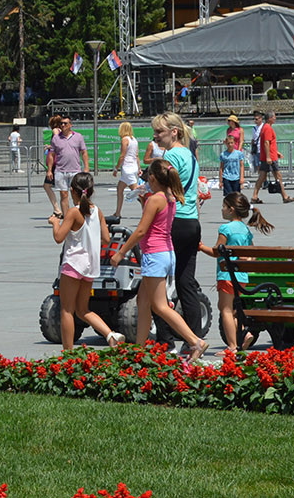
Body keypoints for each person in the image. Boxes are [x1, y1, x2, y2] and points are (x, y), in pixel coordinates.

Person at [111, 158, 209, 361]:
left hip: (154, 255)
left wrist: (121, 253)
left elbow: (141, 231)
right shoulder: (169, 197)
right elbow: (154, 222)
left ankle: (194, 340)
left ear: (153, 178)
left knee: (160, 306)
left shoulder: (155, 199)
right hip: (165, 253)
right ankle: (139, 348)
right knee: (143, 301)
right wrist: (142, 201)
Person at [48, 172, 124, 350]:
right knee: (83, 309)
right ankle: (110, 334)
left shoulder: (74, 212)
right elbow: (106, 239)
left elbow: (59, 237)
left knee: (67, 310)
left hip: (74, 264)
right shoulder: (97, 211)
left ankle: (68, 352)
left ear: (73, 191)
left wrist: (54, 223)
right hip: (90, 266)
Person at [197, 191, 273, 354]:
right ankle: (244, 332)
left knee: (224, 309)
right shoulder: (245, 230)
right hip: (241, 276)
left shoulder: (226, 228)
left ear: (231, 209)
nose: (222, 210)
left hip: (227, 275)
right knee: (230, 308)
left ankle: (232, 346)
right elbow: (252, 253)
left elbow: (218, 251)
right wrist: (248, 261)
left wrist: (201, 247)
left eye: (223, 206)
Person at [152, 112, 205, 339]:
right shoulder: (190, 156)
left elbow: (163, 190)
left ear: (174, 131)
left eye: (159, 132)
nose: (155, 137)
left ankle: (165, 340)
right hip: (192, 221)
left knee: (158, 284)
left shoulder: (171, 157)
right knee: (186, 282)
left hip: (173, 222)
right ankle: (194, 338)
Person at [250, 111, 294, 205]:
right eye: (274, 117)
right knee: (278, 176)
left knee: (262, 176)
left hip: (269, 156)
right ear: (270, 118)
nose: (275, 118)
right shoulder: (267, 128)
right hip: (270, 158)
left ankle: (254, 196)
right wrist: (269, 156)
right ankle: (285, 196)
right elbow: (266, 143)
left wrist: (276, 152)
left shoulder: (265, 127)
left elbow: (269, 144)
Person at [49, 115, 89, 216]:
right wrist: (49, 170)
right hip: (60, 170)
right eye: (61, 123)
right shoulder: (56, 138)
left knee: (76, 194)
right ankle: (67, 218)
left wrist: (86, 168)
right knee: (64, 194)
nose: (63, 125)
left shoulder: (78, 137)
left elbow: (84, 152)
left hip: (75, 170)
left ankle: (79, 216)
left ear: (70, 125)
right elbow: (51, 155)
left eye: (65, 123)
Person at [111, 121, 140, 218]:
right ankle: (117, 212)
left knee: (137, 193)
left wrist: (116, 168)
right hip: (133, 166)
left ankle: (149, 209)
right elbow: (137, 155)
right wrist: (139, 168)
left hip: (127, 168)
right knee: (119, 189)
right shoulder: (134, 140)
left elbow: (122, 156)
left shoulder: (125, 139)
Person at [42, 115, 62, 217]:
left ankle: (57, 209)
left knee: (47, 185)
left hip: (54, 162)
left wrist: (49, 146)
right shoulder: (60, 130)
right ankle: (58, 209)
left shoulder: (55, 130)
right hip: (58, 161)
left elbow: (57, 144)